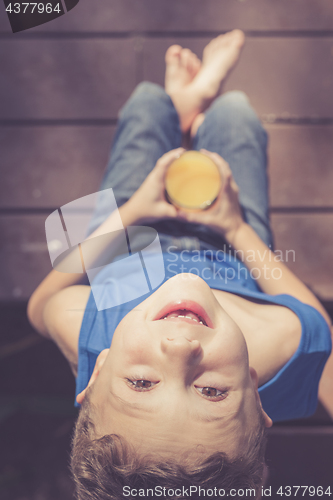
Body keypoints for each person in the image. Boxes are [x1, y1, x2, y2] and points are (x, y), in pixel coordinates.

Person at [27, 30, 332, 500]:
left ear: (100, 371)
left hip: (130, 235)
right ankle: (200, 110)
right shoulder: (286, 344)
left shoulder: (90, 330)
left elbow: (40, 304)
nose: (179, 347)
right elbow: (303, 308)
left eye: (141, 382)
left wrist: (134, 210)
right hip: (228, 238)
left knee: (145, 106)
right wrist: (235, 228)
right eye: (211, 393)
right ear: (254, 390)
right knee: (237, 115)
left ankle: (180, 106)